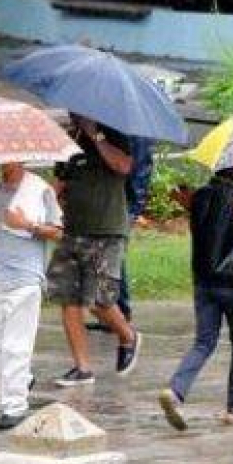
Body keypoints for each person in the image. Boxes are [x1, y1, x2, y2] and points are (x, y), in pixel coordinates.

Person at [158, 168, 233, 430]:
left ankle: (176, 390)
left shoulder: (200, 196)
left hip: (204, 281)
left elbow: (209, 218)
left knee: (204, 342)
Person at [0, 162, 63, 430]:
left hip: (25, 276)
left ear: (21, 158)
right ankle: (23, 378)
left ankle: (14, 406)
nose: (2, 162)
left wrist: (28, 225)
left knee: (15, 346)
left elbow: (58, 232)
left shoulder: (40, 190)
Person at [48, 114, 142, 386]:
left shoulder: (115, 132)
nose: (72, 114)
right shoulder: (69, 139)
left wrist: (95, 134)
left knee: (100, 299)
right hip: (73, 229)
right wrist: (44, 203)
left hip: (107, 230)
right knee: (68, 297)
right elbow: (61, 180)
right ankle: (82, 367)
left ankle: (128, 337)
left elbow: (124, 166)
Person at [89, 135, 153, 332]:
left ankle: (120, 312)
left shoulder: (133, 133)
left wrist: (134, 207)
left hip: (124, 202)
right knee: (106, 256)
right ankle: (113, 311)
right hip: (116, 201)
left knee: (114, 257)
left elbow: (136, 170)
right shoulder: (122, 127)